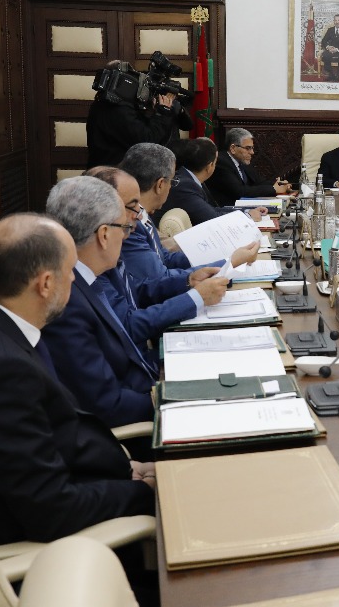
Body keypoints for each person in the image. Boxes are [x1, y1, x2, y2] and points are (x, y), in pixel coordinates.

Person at [0, 213, 154, 547]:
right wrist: (144, 492)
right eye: (70, 270)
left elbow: (53, 436)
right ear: (45, 284)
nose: (75, 279)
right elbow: (52, 509)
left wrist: (127, 468)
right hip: (71, 549)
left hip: (94, 475)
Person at [41, 176, 157, 428]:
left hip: (148, 383)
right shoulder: (66, 300)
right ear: (104, 234)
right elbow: (106, 404)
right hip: (135, 424)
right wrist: (169, 400)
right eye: (123, 227)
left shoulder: (88, 278)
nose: (126, 235)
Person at [87, 166, 227, 347]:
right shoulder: (90, 267)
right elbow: (128, 325)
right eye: (132, 206)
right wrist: (196, 298)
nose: (139, 216)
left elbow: (136, 290)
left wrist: (188, 280)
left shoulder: (108, 250)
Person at [117, 143, 255, 289]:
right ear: (160, 185)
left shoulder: (143, 213)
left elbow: (166, 258)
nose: (172, 186)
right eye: (172, 181)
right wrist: (228, 263)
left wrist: (224, 257)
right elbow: (157, 282)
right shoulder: (130, 223)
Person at [85, 59, 189, 167]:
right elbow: (147, 141)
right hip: (115, 173)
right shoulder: (118, 109)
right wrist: (163, 112)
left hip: (103, 169)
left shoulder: (99, 104)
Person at [157, 138, 268, 226]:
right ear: (210, 166)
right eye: (215, 162)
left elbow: (213, 210)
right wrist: (248, 216)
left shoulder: (189, 178)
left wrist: (247, 211)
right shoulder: (185, 185)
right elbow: (212, 218)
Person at [207, 127, 292, 204]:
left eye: (252, 148)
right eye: (247, 148)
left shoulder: (242, 161)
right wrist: (273, 189)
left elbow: (259, 182)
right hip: (226, 210)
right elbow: (240, 191)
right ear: (233, 148)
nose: (252, 152)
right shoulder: (222, 162)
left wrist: (279, 184)